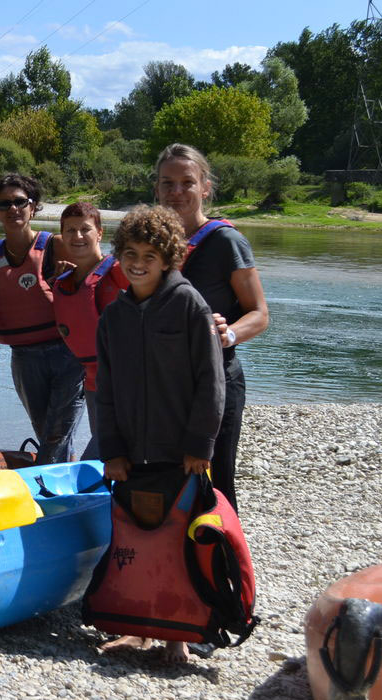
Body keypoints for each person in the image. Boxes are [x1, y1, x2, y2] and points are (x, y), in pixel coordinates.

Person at [94, 205, 226, 663]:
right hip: (130, 453)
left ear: (170, 258)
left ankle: (177, 634)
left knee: (177, 545)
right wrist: (111, 450)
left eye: (150, 254)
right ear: (117, 256)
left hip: (179, 454)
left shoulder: (190, 305)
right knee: (135, 543)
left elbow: (212, 381)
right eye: (129, 253)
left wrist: (199, 445)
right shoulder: (113, 317)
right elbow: (104, 390)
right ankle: (136, 629)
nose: (138, 262)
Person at [155, 143, 270, 511]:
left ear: (205, 186)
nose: (176, 193)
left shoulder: (226, 242)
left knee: (217, 484)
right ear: (156, 188)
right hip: (165, 385)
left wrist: (229, 334)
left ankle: (226, 564)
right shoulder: (150, 242)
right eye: (167, 183)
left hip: (217, 383)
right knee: (165, 479)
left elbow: (260, 314)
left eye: (187, 182)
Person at [0, 173, 84, 465]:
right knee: (46, 432)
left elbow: (97, 281)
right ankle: (64, 482)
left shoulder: (56, 245)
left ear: (33, 207)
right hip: (24, 358)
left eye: (20, 202)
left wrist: (71, 278)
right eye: (4, 204)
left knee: (57, 433)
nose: (13, 209)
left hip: (67, 353)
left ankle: (43, 491)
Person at [51, 201, 128, 461]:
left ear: (100, 233)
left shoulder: (119, 272)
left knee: (107, 453)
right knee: (106, 456)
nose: (78, 236)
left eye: (85, 229)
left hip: (126, 381)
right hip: (94, 381)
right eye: (70, 230)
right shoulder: (63, 282)